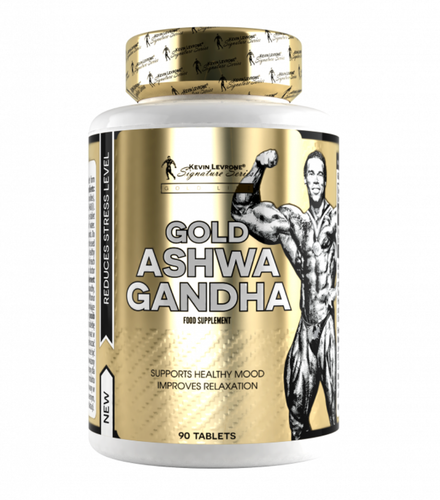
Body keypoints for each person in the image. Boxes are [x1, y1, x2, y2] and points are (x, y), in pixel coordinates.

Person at [231, 149, 337, 440]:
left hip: (329, 326)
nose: (316, 179)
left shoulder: (337, 220)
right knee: (296, 419)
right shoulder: (293, 223)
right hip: (307, 325)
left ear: (327, 180)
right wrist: (258, 167)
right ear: (304, 179)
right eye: (311, 173)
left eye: (321, 174)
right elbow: (240, 211)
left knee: (334, 415)